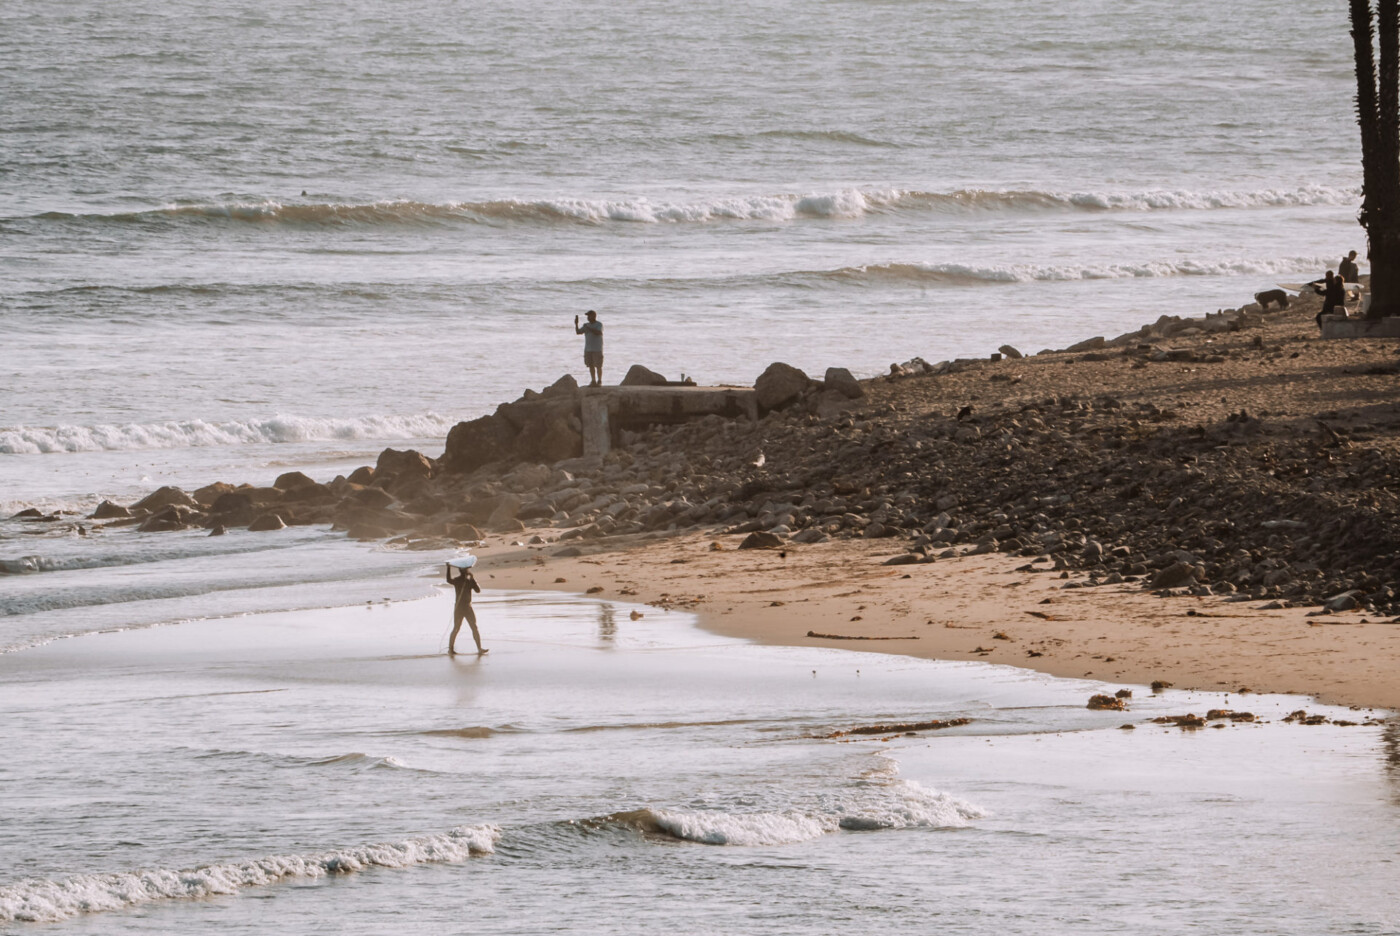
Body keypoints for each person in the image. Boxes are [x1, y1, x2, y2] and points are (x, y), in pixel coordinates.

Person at [446, 562, 485, 655]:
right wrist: (448, 568)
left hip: (467, 607)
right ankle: (450, 650)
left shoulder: (469, 581)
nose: (467, 571)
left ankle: (479, 649)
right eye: (466, 570)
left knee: (473, 627)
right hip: (461, 607)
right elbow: (448, 580)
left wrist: (473, 579)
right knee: (457, 628)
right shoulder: (458, 580)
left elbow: (478, 590)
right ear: (462, 571)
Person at [575, 310, 604, 387]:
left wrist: (589, 328)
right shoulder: (586, 325)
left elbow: (598, 332)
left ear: (594, 316)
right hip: (588, 349)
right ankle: (593, 380)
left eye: (589, 316)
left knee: (598, 366)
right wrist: (576, 324)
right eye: (587, 316)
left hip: (597, 349)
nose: (588, 318)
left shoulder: (599, 324)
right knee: (590, 365)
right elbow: (578, 332)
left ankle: (599, 380)